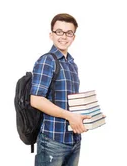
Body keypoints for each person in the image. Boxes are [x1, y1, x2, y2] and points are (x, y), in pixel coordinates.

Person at [30, 13, 91, 166]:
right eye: (59, 32)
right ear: (51, 35)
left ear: (74, 37)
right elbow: (36, 100)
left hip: (73, 139)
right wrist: (69, 116)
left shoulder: (71, 64)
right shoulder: (47, 61)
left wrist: (90, 116)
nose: (64, 36)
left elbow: (69, 102)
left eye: (69, 33)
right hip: (52, 140)